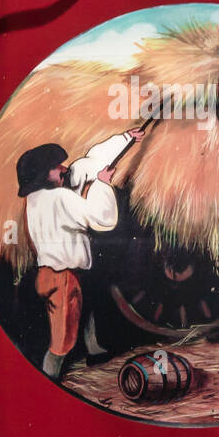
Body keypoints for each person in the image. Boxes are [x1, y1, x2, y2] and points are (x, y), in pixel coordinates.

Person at [16, 128, 144, 379]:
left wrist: (125, 138)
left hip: (52, 274)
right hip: (63, 278)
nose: (63, 168)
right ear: (44, 175)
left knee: (82, 310)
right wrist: (103, 185)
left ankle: (94, 349)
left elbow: (87, 162)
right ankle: (49, 377)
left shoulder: (35, 199)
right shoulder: (61, 198)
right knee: (62, 337)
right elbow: (100, 219)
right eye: (56, 167)